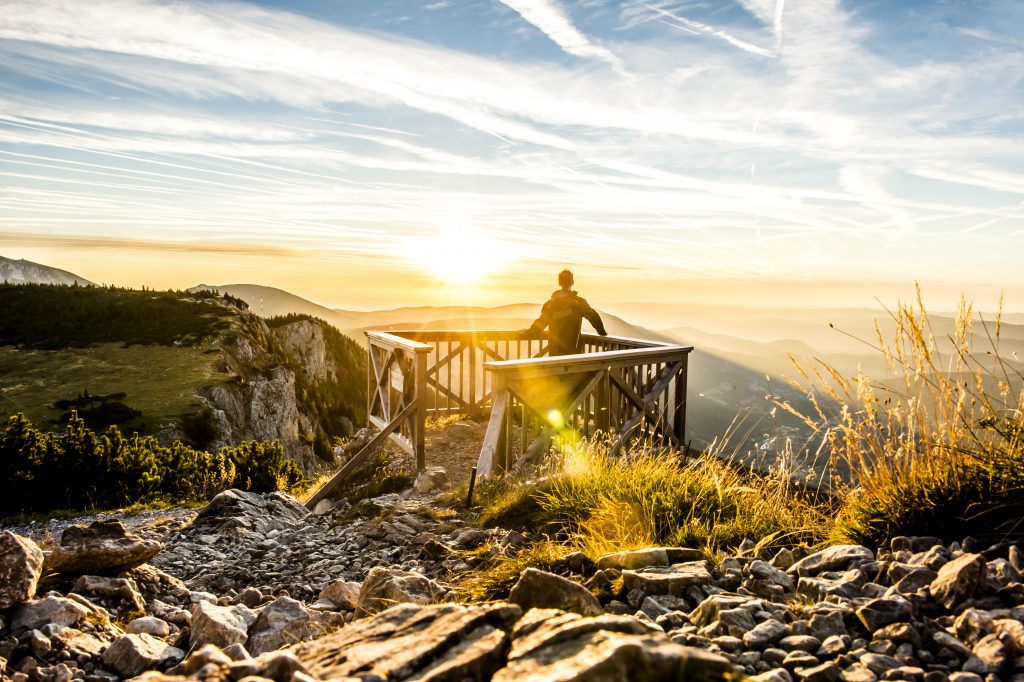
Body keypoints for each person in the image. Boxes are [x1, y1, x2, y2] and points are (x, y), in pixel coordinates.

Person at [524, 269, 607, 355]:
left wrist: (527, 333)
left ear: (559, 283)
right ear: (572, 282)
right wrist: (602, 332)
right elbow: (593, 316)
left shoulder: (549, 305)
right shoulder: (579, 302)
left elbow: (540, 323)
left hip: (555, 354)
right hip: (573, 353)